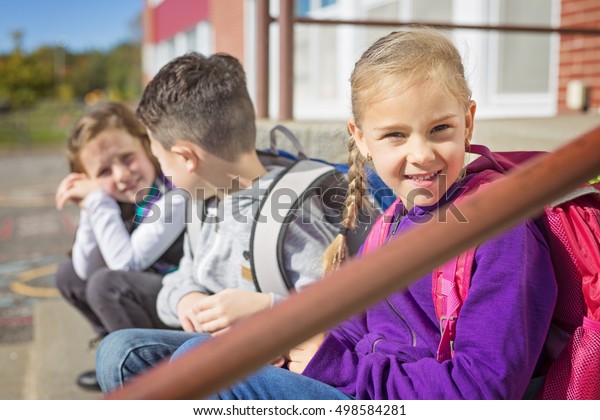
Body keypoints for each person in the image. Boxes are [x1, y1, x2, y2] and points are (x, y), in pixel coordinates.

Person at [167, 28, 559, 399]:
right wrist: (290, 345)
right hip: (362, 380)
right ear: (361, 138)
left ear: (468, 122)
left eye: (440, 128)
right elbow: (356, 329)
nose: (421, 154)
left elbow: (481, 390)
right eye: (395, 135)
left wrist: (337, 367)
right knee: (132, 350)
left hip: (388, 395)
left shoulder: (501, 230)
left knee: (195, 365)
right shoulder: (392, 220)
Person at [95, 52, 339, 392]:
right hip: (232, 351)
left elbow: (343, 315)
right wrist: (187, 300)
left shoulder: (289, 217)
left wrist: (267, 313)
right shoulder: (204, 200)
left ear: (186, 158)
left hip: (288, 365)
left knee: (193, 355)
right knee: (117, 352)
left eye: (160, 158)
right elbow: (180, 278)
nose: (162, 170)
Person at [55, 101, 186, 391]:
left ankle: (145, 375)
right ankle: (112, 355)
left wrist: (98, 201)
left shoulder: (174, 196)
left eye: (127, 158)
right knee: (68, 276)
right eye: (103, 172)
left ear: (146, 144)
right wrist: (91, 207)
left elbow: (125, 264)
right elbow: (84, 268)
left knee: (107, 284)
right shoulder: (111, 198)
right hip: (150, 294)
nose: (121, 175)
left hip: (183, 301)